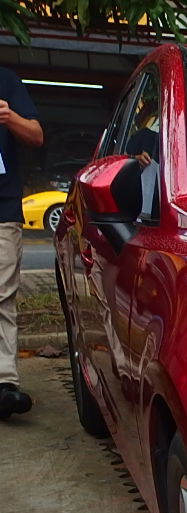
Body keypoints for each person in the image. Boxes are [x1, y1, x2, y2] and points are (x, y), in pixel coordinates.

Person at [0, 66, 43, 420]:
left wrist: (9, 116)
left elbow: (36, 135)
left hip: (2, 210)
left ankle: (4, 384)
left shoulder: (7, 81)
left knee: (1, 296)